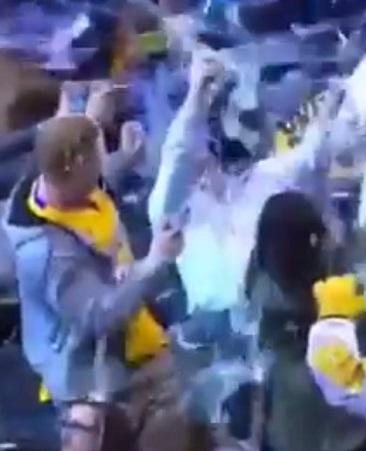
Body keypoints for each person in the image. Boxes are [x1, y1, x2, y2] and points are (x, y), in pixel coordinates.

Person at [3, 114, 212, 451]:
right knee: (176, 428)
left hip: (132, 334)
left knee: (190, 413)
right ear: (77, 164)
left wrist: (126, 158)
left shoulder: (59, 187)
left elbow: (94, 188)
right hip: (97, 375)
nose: (102, 164)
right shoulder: (48, 254)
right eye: (98, 158)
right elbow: (98, 315)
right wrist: (155, 260)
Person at [244, 190, 366, 451]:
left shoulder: (262, 280)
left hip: (290, 426)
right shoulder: (336, 283)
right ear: (314, 238)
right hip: (352, 428)